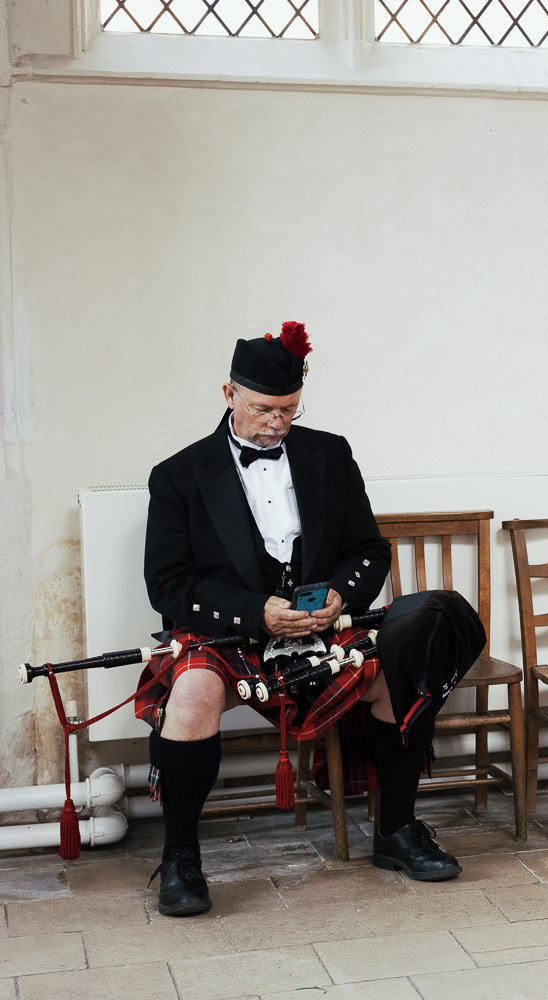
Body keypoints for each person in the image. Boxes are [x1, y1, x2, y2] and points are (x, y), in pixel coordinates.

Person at [135, 322, 462, 917]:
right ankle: (181, 856)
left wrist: (340, 594)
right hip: (232, 632)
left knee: (401, 669)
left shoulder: (330, 454)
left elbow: (369, 549)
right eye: (264, 409)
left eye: (289, 411)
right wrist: (254, 612)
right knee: (191, 694)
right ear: (229, 394)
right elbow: (168, 585)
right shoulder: (179, 475)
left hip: (322, 629)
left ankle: (397, 831)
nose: (277, 424)